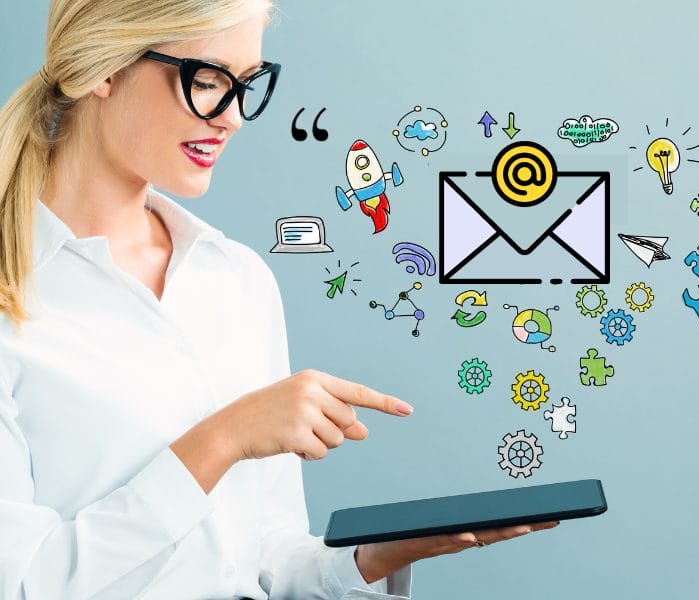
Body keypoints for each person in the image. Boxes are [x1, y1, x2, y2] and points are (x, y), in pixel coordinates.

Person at [0, 1, 559, 598]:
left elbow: (267, 561)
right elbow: (25, 582)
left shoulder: (237, 280)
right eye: (209, 80)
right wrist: (224, 439)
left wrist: (373, 557)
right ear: (103, 70)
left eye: (247, 85)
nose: (233, 116)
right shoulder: (18, 298)